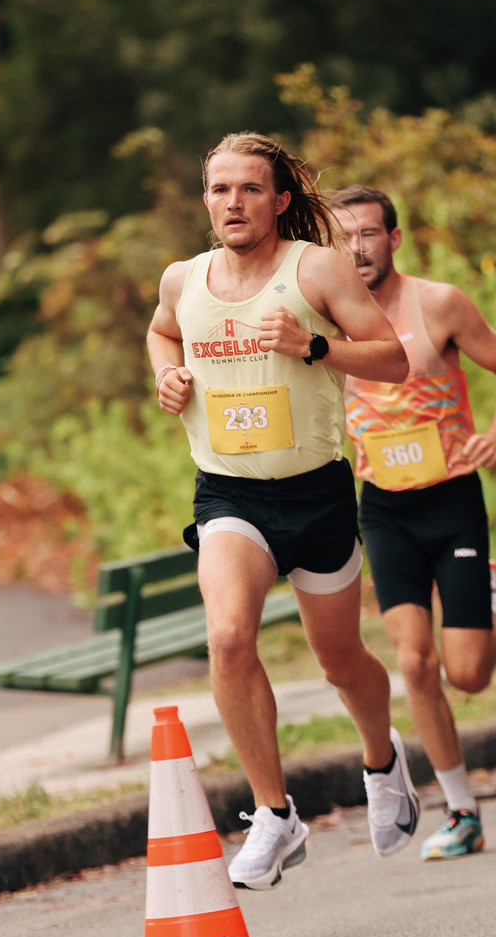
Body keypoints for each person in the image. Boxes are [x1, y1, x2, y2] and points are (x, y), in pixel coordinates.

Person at [147, 133, 420, 888]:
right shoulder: (184, 278)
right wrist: (167, 374)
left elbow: (393, 358)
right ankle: (275, 814)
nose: (231, 202)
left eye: (248, 189)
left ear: (279, 200)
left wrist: (314, 348)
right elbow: (163, 330)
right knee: (229, 635)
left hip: (316, 492)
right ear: (205, 199)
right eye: (218, 189)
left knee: (341, 661)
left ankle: (381, 758)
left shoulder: (316, 270)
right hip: (228, 491)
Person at [332, 186, 496, 860]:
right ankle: (461, 811)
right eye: (342, 237)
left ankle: (493, 599)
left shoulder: (439, 304)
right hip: (383, 506)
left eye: (366, 234)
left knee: (467, 674)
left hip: (451, 502)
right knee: (414, 665)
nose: (355, 248)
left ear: (393, 238)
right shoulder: (326, 321)